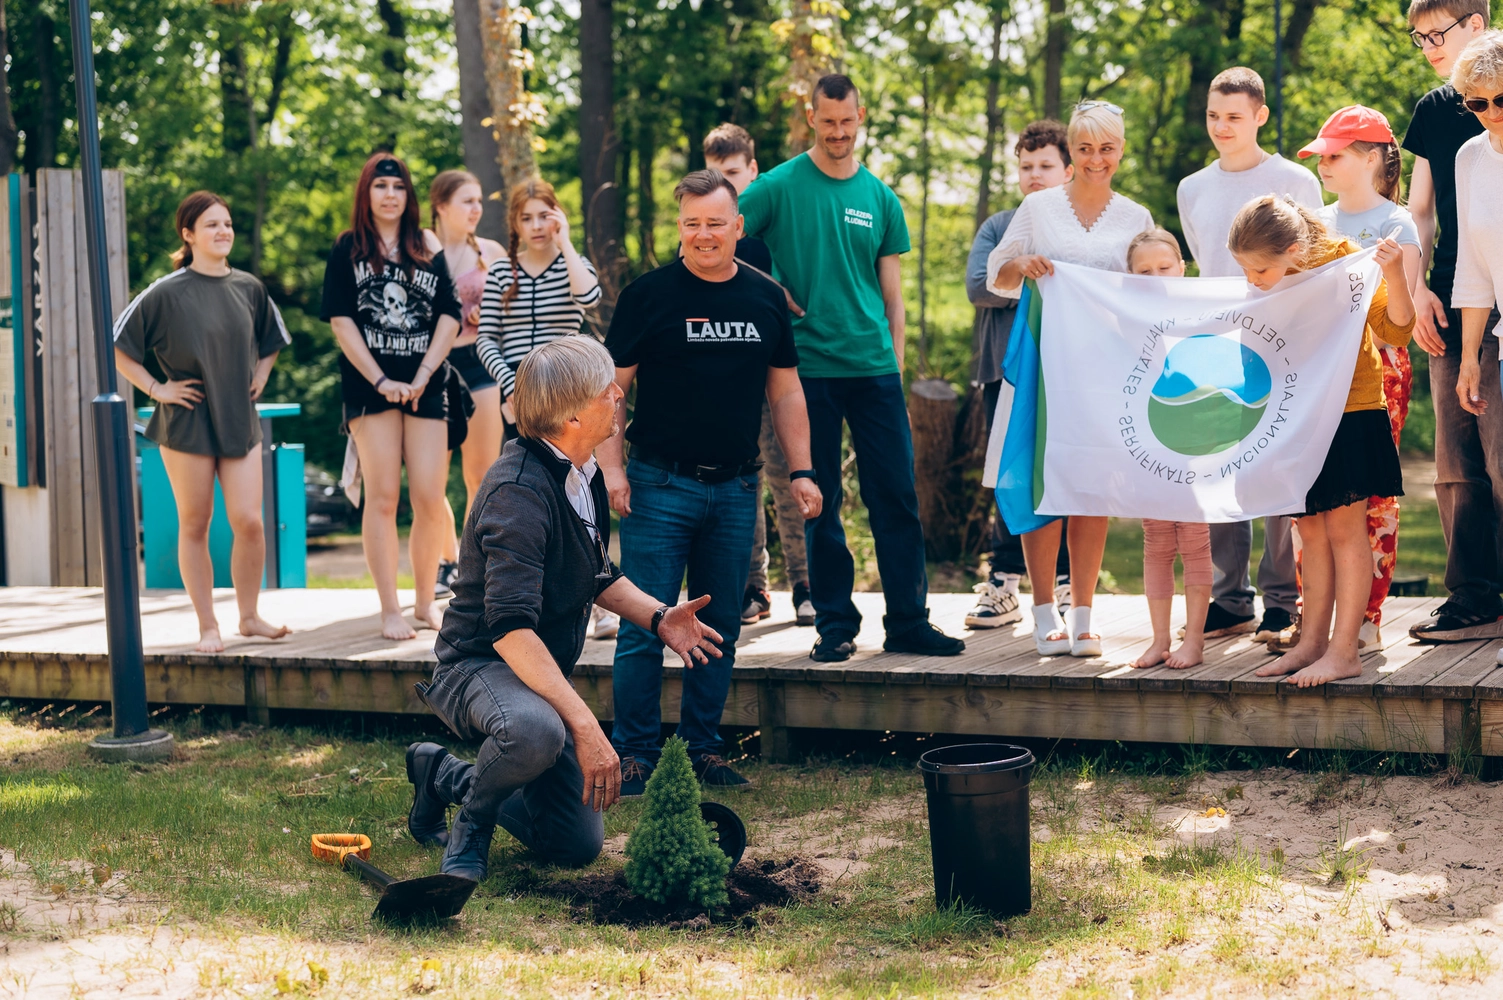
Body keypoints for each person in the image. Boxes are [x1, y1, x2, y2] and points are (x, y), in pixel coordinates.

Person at [405, 337, 727, 881]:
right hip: (478, 663)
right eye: (606, 389)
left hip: (532, 671)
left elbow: (594, 571)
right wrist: (583, 723)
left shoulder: (583, 472)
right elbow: (509, 629)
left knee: (572, 844)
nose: (618, 394)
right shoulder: (517, 492)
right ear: (572, 415)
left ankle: (442, 775)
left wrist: (658, 616)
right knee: (536, 731)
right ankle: (471, 828)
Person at [598, 169, 821, 794]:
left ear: (738, 227)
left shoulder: (765, 298)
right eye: (692, 223)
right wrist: (611, 468)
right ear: (680, 227)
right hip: (658, 485)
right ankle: (635, 754)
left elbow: (786, 391)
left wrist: (802, 470)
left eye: (715, 223)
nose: (703, 235)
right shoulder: (648, 296)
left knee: (720, 623)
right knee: (645, 621)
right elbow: (612, 390)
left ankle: (702, 749)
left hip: (736, 489)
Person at [739, 73, 966, 662]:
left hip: (874, 370)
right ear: (811, 118)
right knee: (821, 502)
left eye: (847, 121)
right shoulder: (778, 186)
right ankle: (835, 624)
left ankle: (909, 621)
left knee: (896, 498)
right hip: (806, 370)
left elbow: (892, 295)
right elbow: (722, 234)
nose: (838, 132)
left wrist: (895, 364)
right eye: (828, 122)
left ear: (860, 117)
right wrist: (769, 288)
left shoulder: (881, 198)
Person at [987, 101, 1154, 657]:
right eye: (1084, 148)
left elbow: (1151, 286)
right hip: (1044, 361)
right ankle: (1043, 612)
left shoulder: (1135, 217)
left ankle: (1083, 616)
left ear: (1121, 150)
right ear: (1071, 152)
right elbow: (997, 274)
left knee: (1091, 485)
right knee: (1041, 480)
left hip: (1104, 369)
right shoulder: (1039, 208)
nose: (1095, 159)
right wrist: (1023, 266)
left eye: (1107, 148)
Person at [1228, 198, 1415, 686]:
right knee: (1309, 531)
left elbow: (1396, 330)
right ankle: (1310, 643)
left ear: (1292, 250)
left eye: (1259, 269)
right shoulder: (1262, 281)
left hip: (1351, 410)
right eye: (1244, 270)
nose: (1252, 279)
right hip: (1296, 415)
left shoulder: (1344, 260)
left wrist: (1395, 273)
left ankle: (1344, 650)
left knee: (1344, 530)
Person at [1176, 66, 1324, 644]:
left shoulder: (1294, 180)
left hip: (1280, 346)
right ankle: (1229, 598)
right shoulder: (1192, 188)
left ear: (1260, 116)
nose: (1222, 127)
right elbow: (1207, 265)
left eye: (1234, 116)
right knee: (1219, 471)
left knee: (1274, 469)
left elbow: (1312, 260)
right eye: (1214, 116)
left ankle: (1281, 600)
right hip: (1214, 349)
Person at [113, 191, 292, 654]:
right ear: (188, 234)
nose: (223, 231)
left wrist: (261, 375)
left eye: (227, 223)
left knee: (249, 522)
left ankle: (249, 618)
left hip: (239, 419)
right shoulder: (165, 291)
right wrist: (157, 388)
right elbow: (118, 346)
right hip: (186, 422)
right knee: (195, 523)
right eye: (212, 224)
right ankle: (208, 626)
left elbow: (272, 339)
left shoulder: (249, 287)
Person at [322, 152, 461, 640]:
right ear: (366, 193)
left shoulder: (426, 243)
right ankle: (389, 610)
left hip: (427, 386)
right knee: (381, 498)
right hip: (370, 388)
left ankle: (424, 604)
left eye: (399, 187)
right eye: (381, 186)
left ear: (409, 195)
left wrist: (422, 374)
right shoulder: (348, 248)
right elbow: (342, 321)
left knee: (429, 497)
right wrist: (382, 381)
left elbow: (449, 315)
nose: (390, 195)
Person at [1300, 106, 1423, 654]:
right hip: (1317, 371)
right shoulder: (1313, 222)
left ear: (1372, 158)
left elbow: (1398, 319)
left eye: (1335, 155)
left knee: (1370, 497)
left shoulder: (1397, 225)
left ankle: (1365, 619)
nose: (1323, 165)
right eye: (1320, 157)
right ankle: (1315, 620)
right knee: (1315, 497)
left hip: (1379, 373)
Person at [1401, 0, 1503, 643]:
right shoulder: (1439, 112)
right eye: (1419, 37)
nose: (1430, 45)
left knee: (1502, 455)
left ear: (1477, 23)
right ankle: (1472, 595)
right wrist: (1416, 289)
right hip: (1455, 295)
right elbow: (1420, 211)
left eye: (1438, 32)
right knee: (1456, 460)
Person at [473, 178, 608, 634]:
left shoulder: (573, 264)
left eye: (544, 216)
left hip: (568, 393)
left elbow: (590, 299)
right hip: (519, 398)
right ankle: (533, 595)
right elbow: (486, 339)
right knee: (531, 489)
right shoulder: (500, 272)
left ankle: (598, 598)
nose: (535, 226)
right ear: (514, 223)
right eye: (526, 218)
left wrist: (566, 242)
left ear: (558, 217)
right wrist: (511, 386)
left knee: (577, 486)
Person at [701, 123, 816, 628]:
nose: (722, 183)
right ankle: (754, 586)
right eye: (713, 173)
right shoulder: (706, 233)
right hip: (727, 384)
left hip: (779, 376)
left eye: (731, 173)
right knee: (742, 482)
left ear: (753, 170)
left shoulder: (771, 226)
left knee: (789, 477)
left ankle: (806, 584)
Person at [965, 119, 1074, 629]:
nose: (1034, 175)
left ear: (1068, 170)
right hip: (1005, 374)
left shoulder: (1079, 225)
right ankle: (1004, 581)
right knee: (1009, 476)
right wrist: (1028, 272)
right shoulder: (999, 226)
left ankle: (1069, 585)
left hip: (1068, 374)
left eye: (1045, 165)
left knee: (1068, 473)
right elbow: (978, 286)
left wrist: (1042, 273)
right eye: (1026, 166)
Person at [1120, 230, 1214, 669]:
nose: (1156, 277)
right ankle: (1159, 639)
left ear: (1182, 268)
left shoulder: (1204, 315)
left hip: (1195, 442)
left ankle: (1193, 640)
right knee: (1156, 539)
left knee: (1194, 540)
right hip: (1148, 443)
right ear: (1130, 278)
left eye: (1164, 267)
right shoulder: (1126, 322)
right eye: (1144, 272)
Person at [425, 170, 508, 597]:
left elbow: (513, 312)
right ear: (441, 206)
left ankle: (470, 565)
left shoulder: (491, 253)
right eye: (467, 201)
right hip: (434, 367)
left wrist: (489, 315)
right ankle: (445, 560)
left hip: (480, 364)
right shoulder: (420, 249)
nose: (476, 209)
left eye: (479, 201)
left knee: (480, 474)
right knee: (431, 480)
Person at [1449, 29, 1503, 668]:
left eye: (1501, 99)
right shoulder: (1468, 158)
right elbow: (1474, 267)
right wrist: (1469, 358)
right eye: (1477, 102)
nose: (1491, 113)